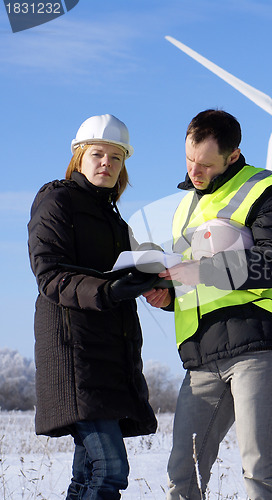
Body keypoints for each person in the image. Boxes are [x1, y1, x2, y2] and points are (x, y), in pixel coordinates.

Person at [145, 109, 272, 500]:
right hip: (201, 353)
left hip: (257, 344)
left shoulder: (267, 189)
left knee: (259, 470)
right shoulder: (185, 207)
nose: (194, 171)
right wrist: (167, 295)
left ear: (233, 156)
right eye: (189, 160)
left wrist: (199, 271)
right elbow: (195, 283)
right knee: (182, 472)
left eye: (205, 164)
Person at [27, 114, 159, 499]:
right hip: (74, 351)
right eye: (98, 154)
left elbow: (122, 277)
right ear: (79, 157)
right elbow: (49, 274)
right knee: (110, 469)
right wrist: (112, 290)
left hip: (110, 354)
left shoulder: (115, 220)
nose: (107, 163)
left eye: (116, 158)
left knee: (87, 472)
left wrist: (154, 278)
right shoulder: (57, 200)